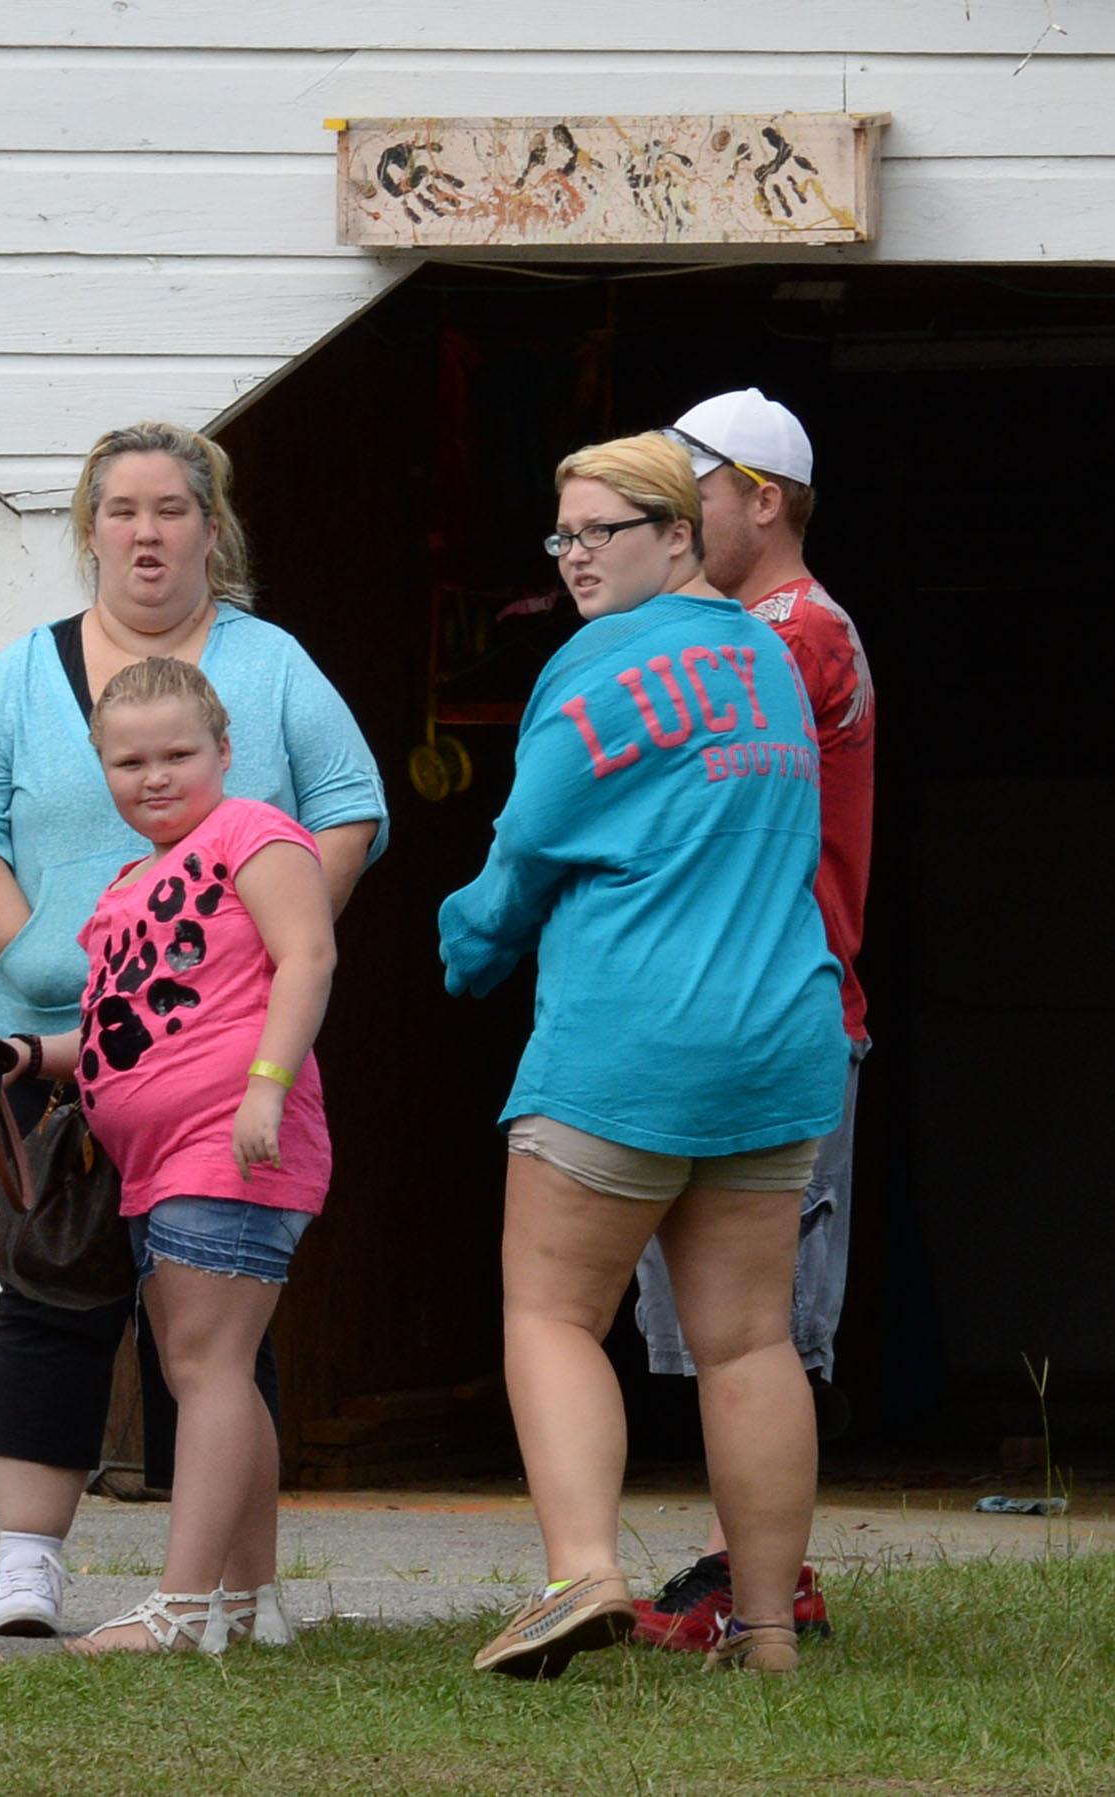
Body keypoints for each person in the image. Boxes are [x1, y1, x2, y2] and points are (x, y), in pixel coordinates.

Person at [0, 422, 387, 1641]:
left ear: (209, 528)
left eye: (171, 509)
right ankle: (30, 1568)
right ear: (87, 532)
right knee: (50, 1300)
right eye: (120, 510)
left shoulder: (270, 665)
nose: (145, 532)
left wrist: (258, 944)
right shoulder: (26, 671)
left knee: (218, 1329)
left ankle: (233, 1595)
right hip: (64, 1045)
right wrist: (30, 957)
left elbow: (347, 810)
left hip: (223, 1061)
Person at [438, 432, 847, 1678]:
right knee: (748, 1343)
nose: (569, 559)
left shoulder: (593, 670)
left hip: (626, 1044)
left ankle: (582, 1578)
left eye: (597, 532)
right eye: (558, 536)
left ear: (678, 535)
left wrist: (459, 947)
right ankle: (767, 1631)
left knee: (551, 1315)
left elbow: (520, 860)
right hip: (779, 1041)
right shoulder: (766, 664)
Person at [6, 657, 335, 1653]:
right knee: (212, 1368)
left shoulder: (253, 835)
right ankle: (247, 1602)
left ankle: (183, 1608)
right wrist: (26, 1054)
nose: (154, 777)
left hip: (231, 1140)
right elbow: (118, 1030)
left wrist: (266, 1087)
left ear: (225, 753)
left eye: (177, 755)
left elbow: (308, 955)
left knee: (203, 1366)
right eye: (128, 761)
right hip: (152, 1167)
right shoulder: (124, 887)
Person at [632, 389, 875, 1652]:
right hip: (736, 1010)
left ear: (760, 498)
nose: (673, 528)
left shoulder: (796, 634)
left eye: (693, 500)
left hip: (780, 1011)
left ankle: (772, 1584)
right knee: (724, 1317)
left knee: (763, 1320)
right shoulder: (748, 629)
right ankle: (746, 1573)